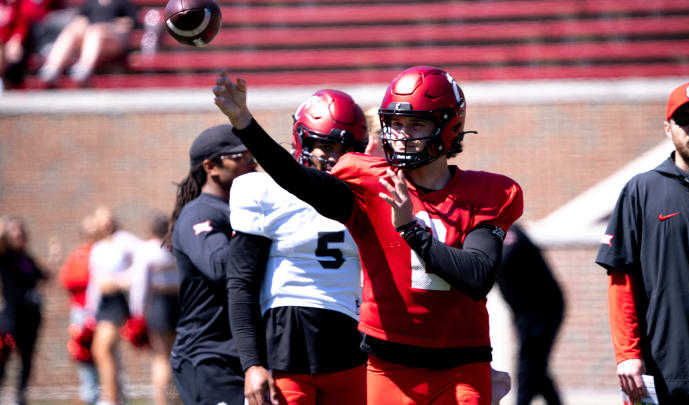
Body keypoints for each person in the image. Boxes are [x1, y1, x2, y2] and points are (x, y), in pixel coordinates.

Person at [214, 65, 524, 405]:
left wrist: (410, 229)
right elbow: (298, 180)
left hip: (462, 365)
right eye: (396, 123)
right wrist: (244, 123)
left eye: (416, 123)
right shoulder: (368, 183)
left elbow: (477, 275)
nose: (402, 134)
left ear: (450, 127)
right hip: (389, 365)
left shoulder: (486, 192)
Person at [226, 89, 370, 405]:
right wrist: (251, 363)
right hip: (286, 345)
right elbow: (241, 284)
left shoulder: (367, 197)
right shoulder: (263, 190)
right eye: (327, 146)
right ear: (303, 141)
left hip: (352, 346)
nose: (335, 158)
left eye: (346, 149)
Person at [596, 82, 689, 404]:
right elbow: (621, 281)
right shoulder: (641, 191)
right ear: (668, 128)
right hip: (663, 373)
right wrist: (627, 355)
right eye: (684, 119)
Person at [165, 124, 258, 405]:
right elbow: (219, 266)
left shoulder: (235, 210)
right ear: (211, 167)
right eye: (240, 156)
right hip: (208, 357)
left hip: (239, 354)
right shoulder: (201, 211)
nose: (252, 162)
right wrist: (259, 228)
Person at [495, 225, 564, 405]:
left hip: (542, 309)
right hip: (524, 311)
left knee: (528, 364)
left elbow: (502, 259)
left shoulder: (506, 228)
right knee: (537, 366)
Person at [85, 206, 141, 405]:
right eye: (101, 219)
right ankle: (114, 395)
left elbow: (144, 257)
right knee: (103, 351)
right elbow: (94, 281)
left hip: (116, 301)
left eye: (108, 218)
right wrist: (89, 309)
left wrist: (122, 280)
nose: (105, 223)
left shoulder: (123, 240)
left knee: (103, 349)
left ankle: (111, 398)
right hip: (102, 303)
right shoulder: (98, 246)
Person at [127, 212, 178, 405]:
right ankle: (175, 398)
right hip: (179, 304)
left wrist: (137, 313)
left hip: (160, 304)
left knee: (161, 357)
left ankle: (162, 401)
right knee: (175, 355)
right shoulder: (176, 248)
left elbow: (139, 285)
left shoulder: (147, 250)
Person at [0, 216, 47, 405]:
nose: (18, 234)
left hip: (30, 319)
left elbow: (42, 276)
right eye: (14, 231)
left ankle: (19, 397)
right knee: (3, 354)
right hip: (10, 319)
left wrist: (52, 261)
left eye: (20, 230)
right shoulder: (5, 256)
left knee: (26, 358)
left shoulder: (27, 259)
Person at [37, 0, 135, 85]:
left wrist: (105, 27)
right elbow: (80, 20)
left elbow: (127, 25)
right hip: (90, 40)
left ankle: (85, 67)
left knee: (95, 32)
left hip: (113, 40)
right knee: (71, 32)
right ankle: (52, 67)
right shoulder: (91, 3)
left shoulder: (122, 2)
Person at [59, 214, 101, 405]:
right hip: (82, 312)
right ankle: (90, 395)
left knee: (105, 353)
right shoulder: (79, 254)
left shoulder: (105, 251)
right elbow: (67, 280)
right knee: (84, 354)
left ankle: (107, 395)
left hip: (102, 311)